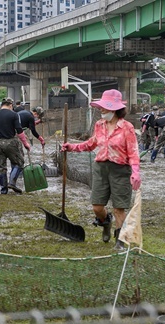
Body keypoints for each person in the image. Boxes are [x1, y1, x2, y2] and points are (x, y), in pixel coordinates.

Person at [61, 89, 141, 247]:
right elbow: (91, 144)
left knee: (119, 208)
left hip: (120, 170)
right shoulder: (99, 125)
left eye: (105, 107)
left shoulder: (127, 127)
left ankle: (120, 240)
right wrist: (72, 147)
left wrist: (136, 172)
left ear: (115, 109)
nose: (101, 110)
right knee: (97, 207)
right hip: (101, 168)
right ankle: (105, 222)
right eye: (101, 107)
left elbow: (133, 151)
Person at [0, 97, 31, 194]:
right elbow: (19, 131)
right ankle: (12, 182)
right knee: (19, 162)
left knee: (1, 167)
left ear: (2, 105)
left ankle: (3, 190)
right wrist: (26, 144)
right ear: (10, 105)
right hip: (10, 142)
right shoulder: (14, 115)